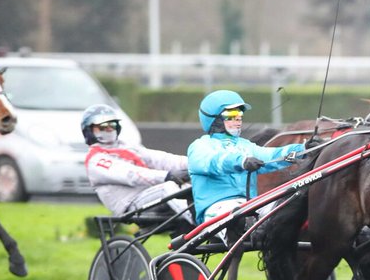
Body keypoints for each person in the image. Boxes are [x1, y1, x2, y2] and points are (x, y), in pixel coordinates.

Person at [187, 90, 308, 225]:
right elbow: (217, 162)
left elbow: (272, 156)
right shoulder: (200, 146)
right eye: (231, 115)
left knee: (287, 210)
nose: (238, 121)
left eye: (239, 115)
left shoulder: (246, 146)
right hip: (216, 208)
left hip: (249, 205)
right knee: (235, 216)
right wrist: (241, 162)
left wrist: (302, 149)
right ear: (214, 119)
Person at [81, 103, 191, 220]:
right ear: (89, 130)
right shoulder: (95, 159)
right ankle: (198, 221)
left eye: (112, 124)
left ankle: (209, 221)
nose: (109, 129)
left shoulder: (127, 147)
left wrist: (195, 164)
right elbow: (131, 174)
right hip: (131, 204)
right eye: (103, 126)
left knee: (191, 185)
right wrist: (168, 176)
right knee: (169, 186)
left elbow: (161, 159)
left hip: (150, 194)